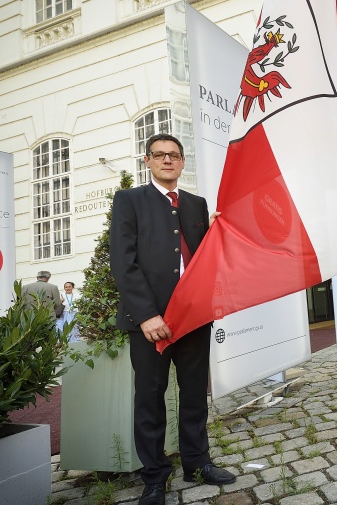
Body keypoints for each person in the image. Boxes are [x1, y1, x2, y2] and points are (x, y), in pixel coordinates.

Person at [110, 134, 233, 505]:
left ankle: (196, 463)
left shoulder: (196, 204)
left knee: (195, 396)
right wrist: (147, 315)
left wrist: (216, 232)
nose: (168, 160)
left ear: (182, 162)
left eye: (174, 155)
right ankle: (154, 477)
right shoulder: (129, 200)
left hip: (193, 318)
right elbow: (123, 262)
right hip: (149, 323)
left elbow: (201, 258)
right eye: (160, 155)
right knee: (150, 399)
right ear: (147, 160)